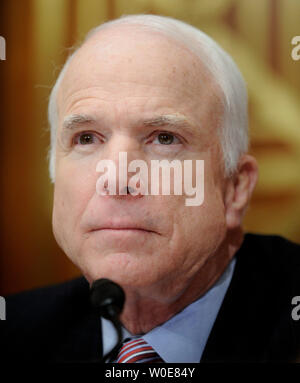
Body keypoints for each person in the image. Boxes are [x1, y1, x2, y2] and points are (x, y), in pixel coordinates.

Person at [2, 14, 300, 363]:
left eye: (164, 138)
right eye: (86, 138)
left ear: (235, 187)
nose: (116, 179)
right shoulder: (15, 334)